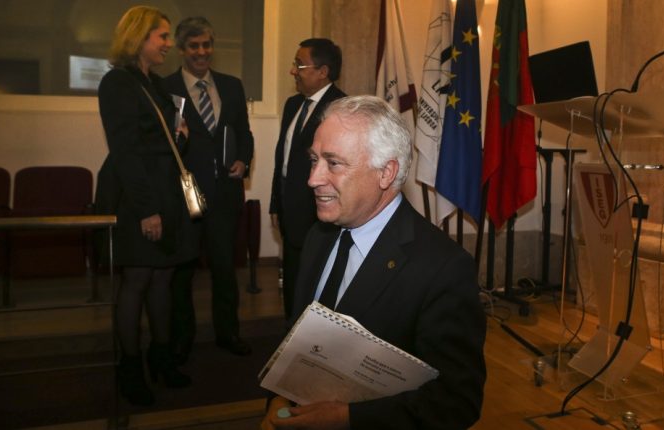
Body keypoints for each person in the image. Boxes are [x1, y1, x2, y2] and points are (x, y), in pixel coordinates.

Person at [261, 96, 486, 429]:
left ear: (386, 173)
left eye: (333, 163)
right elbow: (298, 336)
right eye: (314, 160)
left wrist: (347, 419)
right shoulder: (318, 236)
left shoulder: (444, 269)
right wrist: (279, 395)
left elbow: (457, 402)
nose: (313, 178)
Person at [96, 5, 195, 406]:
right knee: (137, 280)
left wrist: (181, 135)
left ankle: (161, 357)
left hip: (166, 193)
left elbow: (162, 144)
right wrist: (146, 210)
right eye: (163, 36)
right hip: (138, 196)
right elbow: (126, 151)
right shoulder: (117, 83)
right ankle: (130, 367)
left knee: (162, 277)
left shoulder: (152, 82)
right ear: (139, 37)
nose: (169, 44)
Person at [163, 16, 254, 362]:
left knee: (224, 270)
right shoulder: (166, 88)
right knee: (182, 273)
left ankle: (228, 333)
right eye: (194, 46)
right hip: (184, 197)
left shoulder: (232, 86)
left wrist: (243, 160)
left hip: (225, 195)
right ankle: (181, 339)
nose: (202, 52)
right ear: (181, 49)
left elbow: (244, 133)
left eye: (207, 45)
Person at [270, 38, 346, 319]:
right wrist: (276, 203)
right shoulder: (293, 105)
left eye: (299, 65)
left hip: (320, 216)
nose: (293, 71)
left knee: (316, 288)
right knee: (293, 286)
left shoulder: (341, 108)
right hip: (290, 214)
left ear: (322, 71)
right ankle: (291, 334)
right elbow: (283, 159)